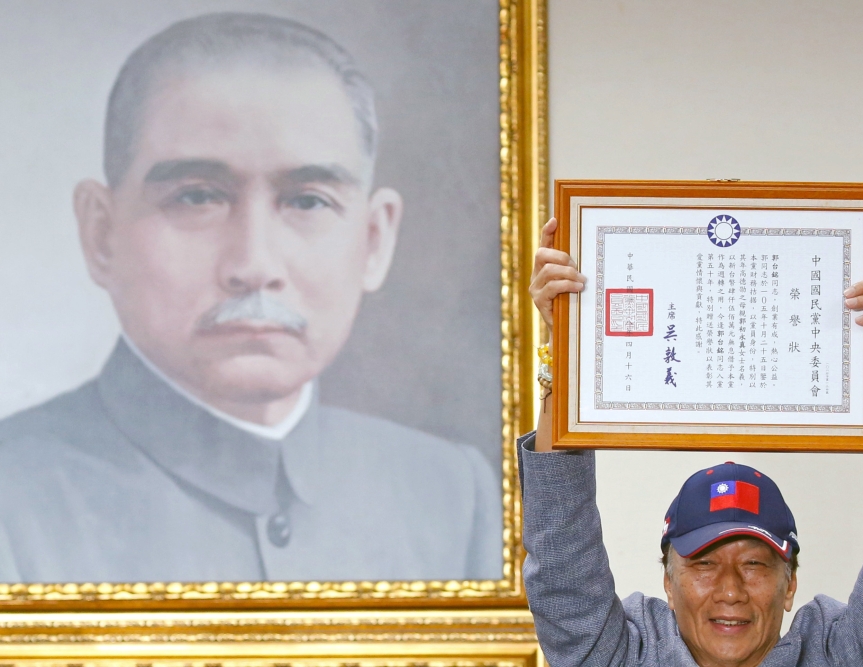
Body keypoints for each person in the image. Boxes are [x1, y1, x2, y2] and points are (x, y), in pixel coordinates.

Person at [0, 12, 501, 584]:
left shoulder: (450, 494)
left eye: (308, 202)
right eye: (197, 197)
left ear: (373, 240)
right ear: (102, 234)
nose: (254, 265)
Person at [519, 216, 863, 667]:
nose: (730, 591)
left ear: (789, 585)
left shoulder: (842, 658)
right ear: (668, 583)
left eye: (754, 565)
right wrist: (566, 342)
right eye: (703, 564)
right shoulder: (619, 658)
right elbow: (562, 556)